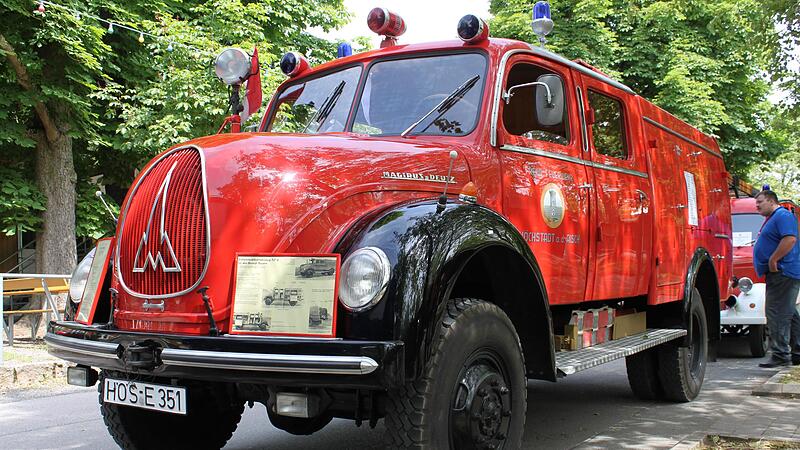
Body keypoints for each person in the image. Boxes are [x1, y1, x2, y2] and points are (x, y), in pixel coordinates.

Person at [752, 189, 800, 367]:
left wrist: (773, 259)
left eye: (760, 202)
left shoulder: (782, 216)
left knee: (777, 313)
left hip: (782, 272)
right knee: (789, 313)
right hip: (781, 273)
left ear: (772, 201)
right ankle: (797, 351)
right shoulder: (774, 217)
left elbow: (790, 239)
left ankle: (780, 355)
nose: (757, 206)